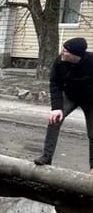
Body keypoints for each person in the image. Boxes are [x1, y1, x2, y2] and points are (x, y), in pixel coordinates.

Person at [33, 37, 93, 173]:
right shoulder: (59, 61)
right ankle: (46, 157)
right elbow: (55, 84)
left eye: (65, 51)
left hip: (91, 100)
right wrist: (56, 108)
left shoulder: (91, 61)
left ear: (75, 55)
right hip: (70, 96)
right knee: (54, 120)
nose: (61, 52)